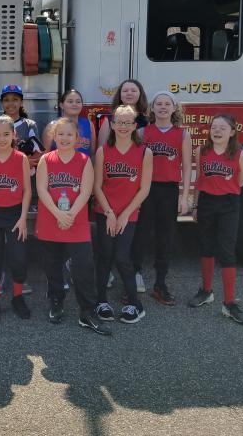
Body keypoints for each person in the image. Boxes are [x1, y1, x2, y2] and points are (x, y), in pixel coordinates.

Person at [35, 117, 111, 335]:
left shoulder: (84, 160)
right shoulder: (46, 160)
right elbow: (42, 190)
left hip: (76, 222)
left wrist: (69, 215)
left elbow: (86, 191)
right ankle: (56, 302)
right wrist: (59, 213)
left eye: (70, 134)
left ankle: (87, 312)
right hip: (51, 219)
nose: (65, 138)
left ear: (77, 138)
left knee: (84, 267)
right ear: (53, 137)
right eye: (61, 134)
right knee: (52, 266)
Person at [92, 105, 153, 324]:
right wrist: (109, 212)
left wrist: (125, 214)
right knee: (105, 257)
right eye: (119, 122)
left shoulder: (145, 152)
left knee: (122, 258)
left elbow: (144, 189)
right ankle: (101, 301)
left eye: (128, 122)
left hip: (129, 214)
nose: (124, 126)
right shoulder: (103, 151)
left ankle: (135, 305)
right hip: (105, 212)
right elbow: (97, 186)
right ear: (112, 124)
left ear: (135, 125)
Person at [188, 114, 243, 325]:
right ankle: (206, 291)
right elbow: (199, 180)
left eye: (222, 127)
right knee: (206, 246)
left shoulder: (240, 155)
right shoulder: (202, 151)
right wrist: (195, 205)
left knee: (227, 251)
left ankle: (230, 303)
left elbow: (240, 182)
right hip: (206, 202)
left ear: (232, 132)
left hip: (229, 204)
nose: (217, 131)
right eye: (214, 127)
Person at [132, 91, 192, 305]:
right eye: (159, 104)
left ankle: (160, 283)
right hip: (146, 189)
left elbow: (186, 167)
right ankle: (134, 275)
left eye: (167, 104)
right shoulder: (141, 132)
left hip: (169, 189)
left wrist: (184, 197)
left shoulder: (182, 135)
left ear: (174, 108)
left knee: (165, 236)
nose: (163, 107)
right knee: (141, 232)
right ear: (152, 109)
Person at [0, 115, 32, 322]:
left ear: (14, 135)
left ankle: (17, 298)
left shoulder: (21, 158)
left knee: (18, 258)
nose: (1, 139)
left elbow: (27, 191)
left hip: (14, 215)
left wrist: (23, 218)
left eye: (6, 134)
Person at [0, 84, 42, 296]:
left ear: (21, 102)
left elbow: (38, 156)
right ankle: (2, 275)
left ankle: (19, 277)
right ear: (2, 102)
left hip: (23, 186)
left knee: (19, 235)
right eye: (6, 99)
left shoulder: (29, 124)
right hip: (3, 186)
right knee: (3, 238)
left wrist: (22, 161)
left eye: (15, 99)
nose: (11, 103)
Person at [42, 89, 96, 157]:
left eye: (78, 102)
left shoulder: (89, 124)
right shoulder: (52, 126)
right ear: (61, 105)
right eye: (70, 101)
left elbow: (92, 153)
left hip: (83, 166)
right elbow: (44, 154)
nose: (74, 104)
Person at [97, 79, 150, 146]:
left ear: (140, 94)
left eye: (133, 91)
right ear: (120, 95)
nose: (129, 93)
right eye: (125, 91)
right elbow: (101, 149)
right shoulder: (109, 121)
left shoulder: (146, 121)